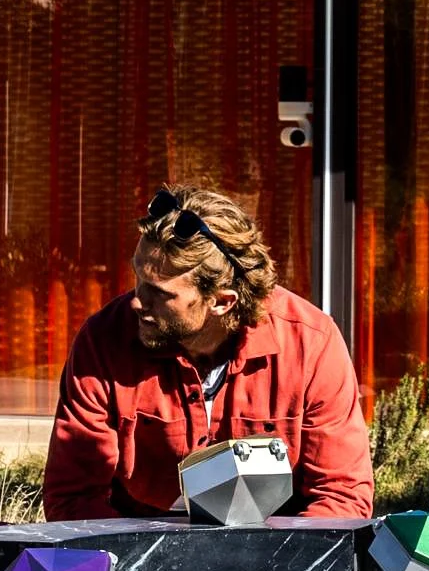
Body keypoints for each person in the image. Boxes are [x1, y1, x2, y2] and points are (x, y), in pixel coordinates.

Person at [43, 184, 373, 520]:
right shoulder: (103, 340)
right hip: (138, 544)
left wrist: (278, 564)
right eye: (137, 276)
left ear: (221, 302)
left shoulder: (310, 343)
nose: (137, 301)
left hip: (277, 544)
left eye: (160, 293)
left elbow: (341, 497)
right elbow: (72, 499)